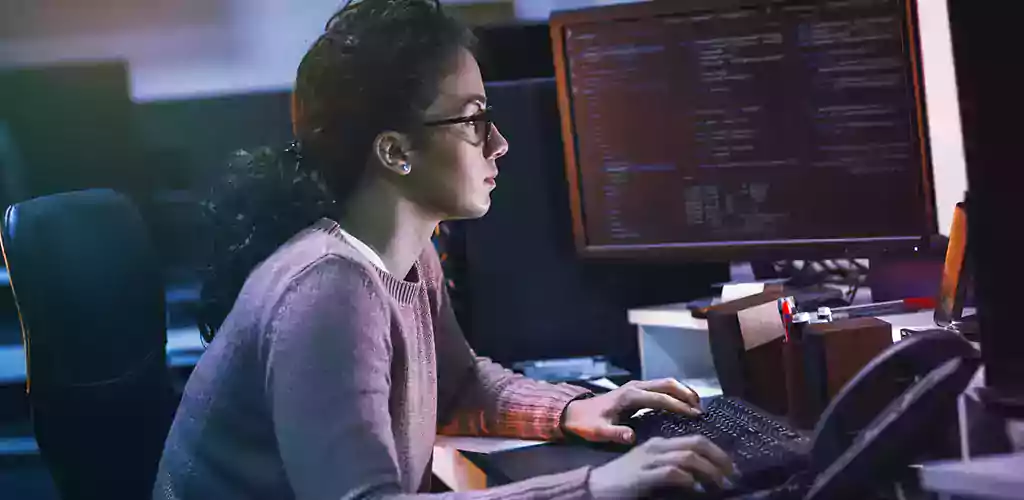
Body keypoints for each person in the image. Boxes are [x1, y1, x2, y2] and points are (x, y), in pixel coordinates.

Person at [154, 0, 735, 498]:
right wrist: (591, 486)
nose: (500, 144)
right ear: (394, 152)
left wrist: (570, 409)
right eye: (474, 120)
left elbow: (456, 388)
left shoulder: (406, 254)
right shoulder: (327, 287)